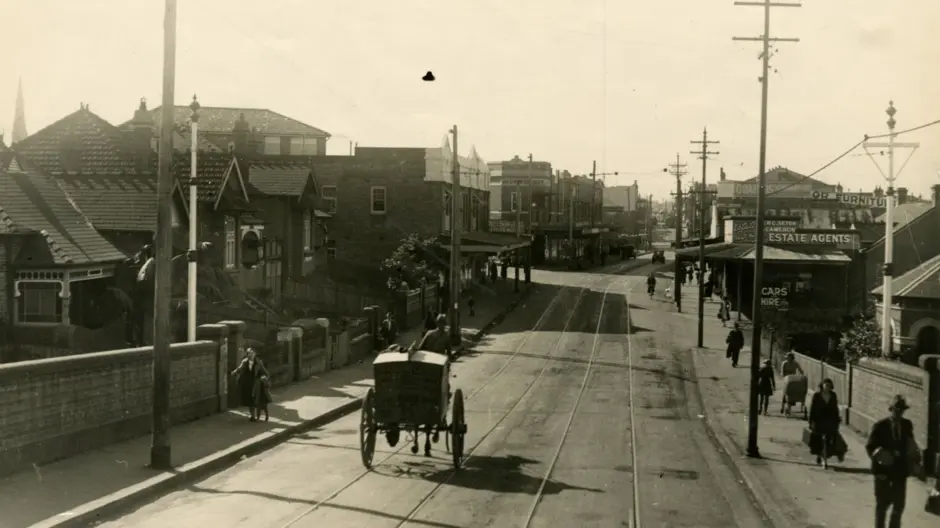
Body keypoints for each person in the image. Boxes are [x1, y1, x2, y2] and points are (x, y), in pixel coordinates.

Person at [866, 395, 919, 528]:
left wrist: (914, 460)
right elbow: (870, 447)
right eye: (896, 409)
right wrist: (881, 458)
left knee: (899, 506)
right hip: (883, 472)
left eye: (901, 410)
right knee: (882, 507)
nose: (899, 413)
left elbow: (910, 444)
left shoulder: (907, 425)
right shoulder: (880, 426)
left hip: (900, 472)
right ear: (891, 409)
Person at [808, 378, 843, 467]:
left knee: (828, 440)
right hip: (819, 420)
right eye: (826, 385)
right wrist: (810, 421)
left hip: (829, 421)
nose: (827, 387)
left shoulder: (833, 395)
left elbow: (835, 408)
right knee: (819, 440)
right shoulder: (817, 395)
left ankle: (825, 458)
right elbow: (812, 409)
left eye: (829, 386)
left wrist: (837, 420)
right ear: (822, 385)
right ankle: (820, 455)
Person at [231, 347, 271, 422]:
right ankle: (253, 416)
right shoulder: (245, 362)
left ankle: (258, 415)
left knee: (256, 400)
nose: (250, 355)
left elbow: (265, 373)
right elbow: (239, 368)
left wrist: (263, 377)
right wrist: (234, 372)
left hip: (256, 384)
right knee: (249, 400)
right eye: (248, 353)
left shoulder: (259, 362)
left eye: (251, 353)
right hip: (247, 383)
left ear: (254, 354)